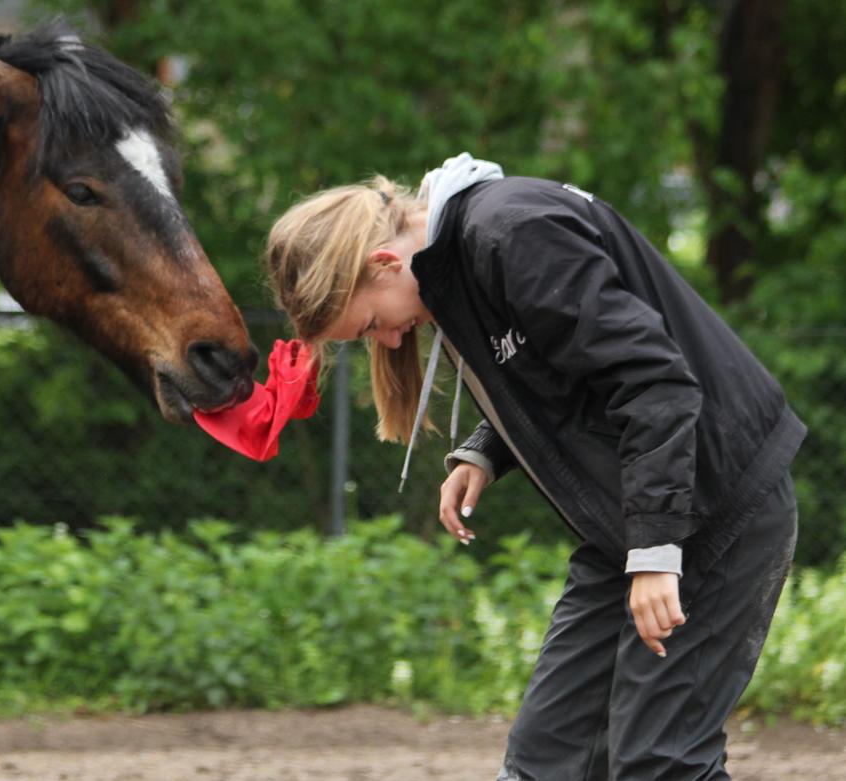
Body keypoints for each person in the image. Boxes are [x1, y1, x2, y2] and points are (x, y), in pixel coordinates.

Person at [263, 154, 806, 780]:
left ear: (383, 264)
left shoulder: (512, 233)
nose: (387, 341)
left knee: (661, 763)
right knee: (546, 762)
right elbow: (558, 372)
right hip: (629, 521)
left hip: (711, 507)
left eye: (372, 324)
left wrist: (658, 551)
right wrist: (487, 451)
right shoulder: (456, 266)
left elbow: (652, 379)